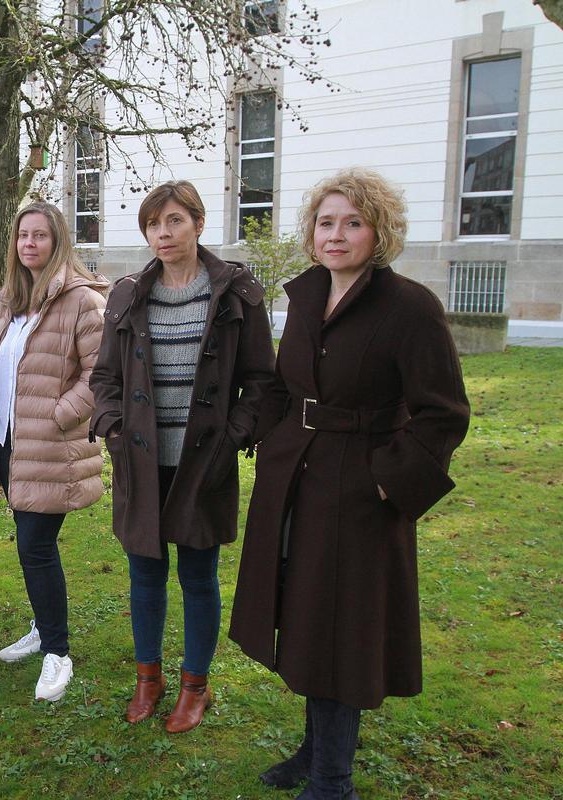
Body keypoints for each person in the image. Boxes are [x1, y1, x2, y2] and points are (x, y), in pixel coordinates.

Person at [229, 169, 470, 798]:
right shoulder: (307, 296)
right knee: (307, 619)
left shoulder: (410, 307)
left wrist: (388, 484)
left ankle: (333, 781)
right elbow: (287, 383)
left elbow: (444, 412)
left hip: (361, 492)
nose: (336, 235)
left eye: (353, 222)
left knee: (342, 631)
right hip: (297, 483)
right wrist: (267, 439)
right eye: (326, 222)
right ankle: (315, 753)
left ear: (378, 231)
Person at [89, 181, 275, 730]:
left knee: (199, 576)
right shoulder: (127, 295)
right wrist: (113, 428)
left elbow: (262, 382)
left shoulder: (236, 295)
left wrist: (232, 437)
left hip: (203, 463)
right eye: (152, 225)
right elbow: (105, 377)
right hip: (142, 462)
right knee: (144, 576)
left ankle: (195, 685)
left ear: (197, 222)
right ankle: (149, 679)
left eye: (173, 221)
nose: (162, 235)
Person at [0, 201, 108, 702]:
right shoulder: (12, 298)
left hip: (51, 447)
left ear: (58, 242)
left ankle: (57, 651)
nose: (29, 244)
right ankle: (42, 625)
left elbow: (102, 376)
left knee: (36, 547)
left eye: (40, 237)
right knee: (30, 545)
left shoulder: (81, 300)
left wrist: (56, 415)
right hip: (11, 444)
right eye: (23, 236)